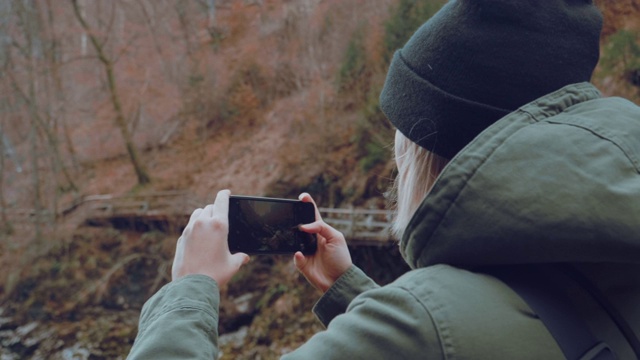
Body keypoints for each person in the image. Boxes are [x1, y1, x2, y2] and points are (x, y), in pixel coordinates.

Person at [128, 0, 640, 359]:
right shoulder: (607, 256)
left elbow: (435, 336)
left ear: (428, 154)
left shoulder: (419, 326)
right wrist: (349, 290)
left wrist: (188, 290)